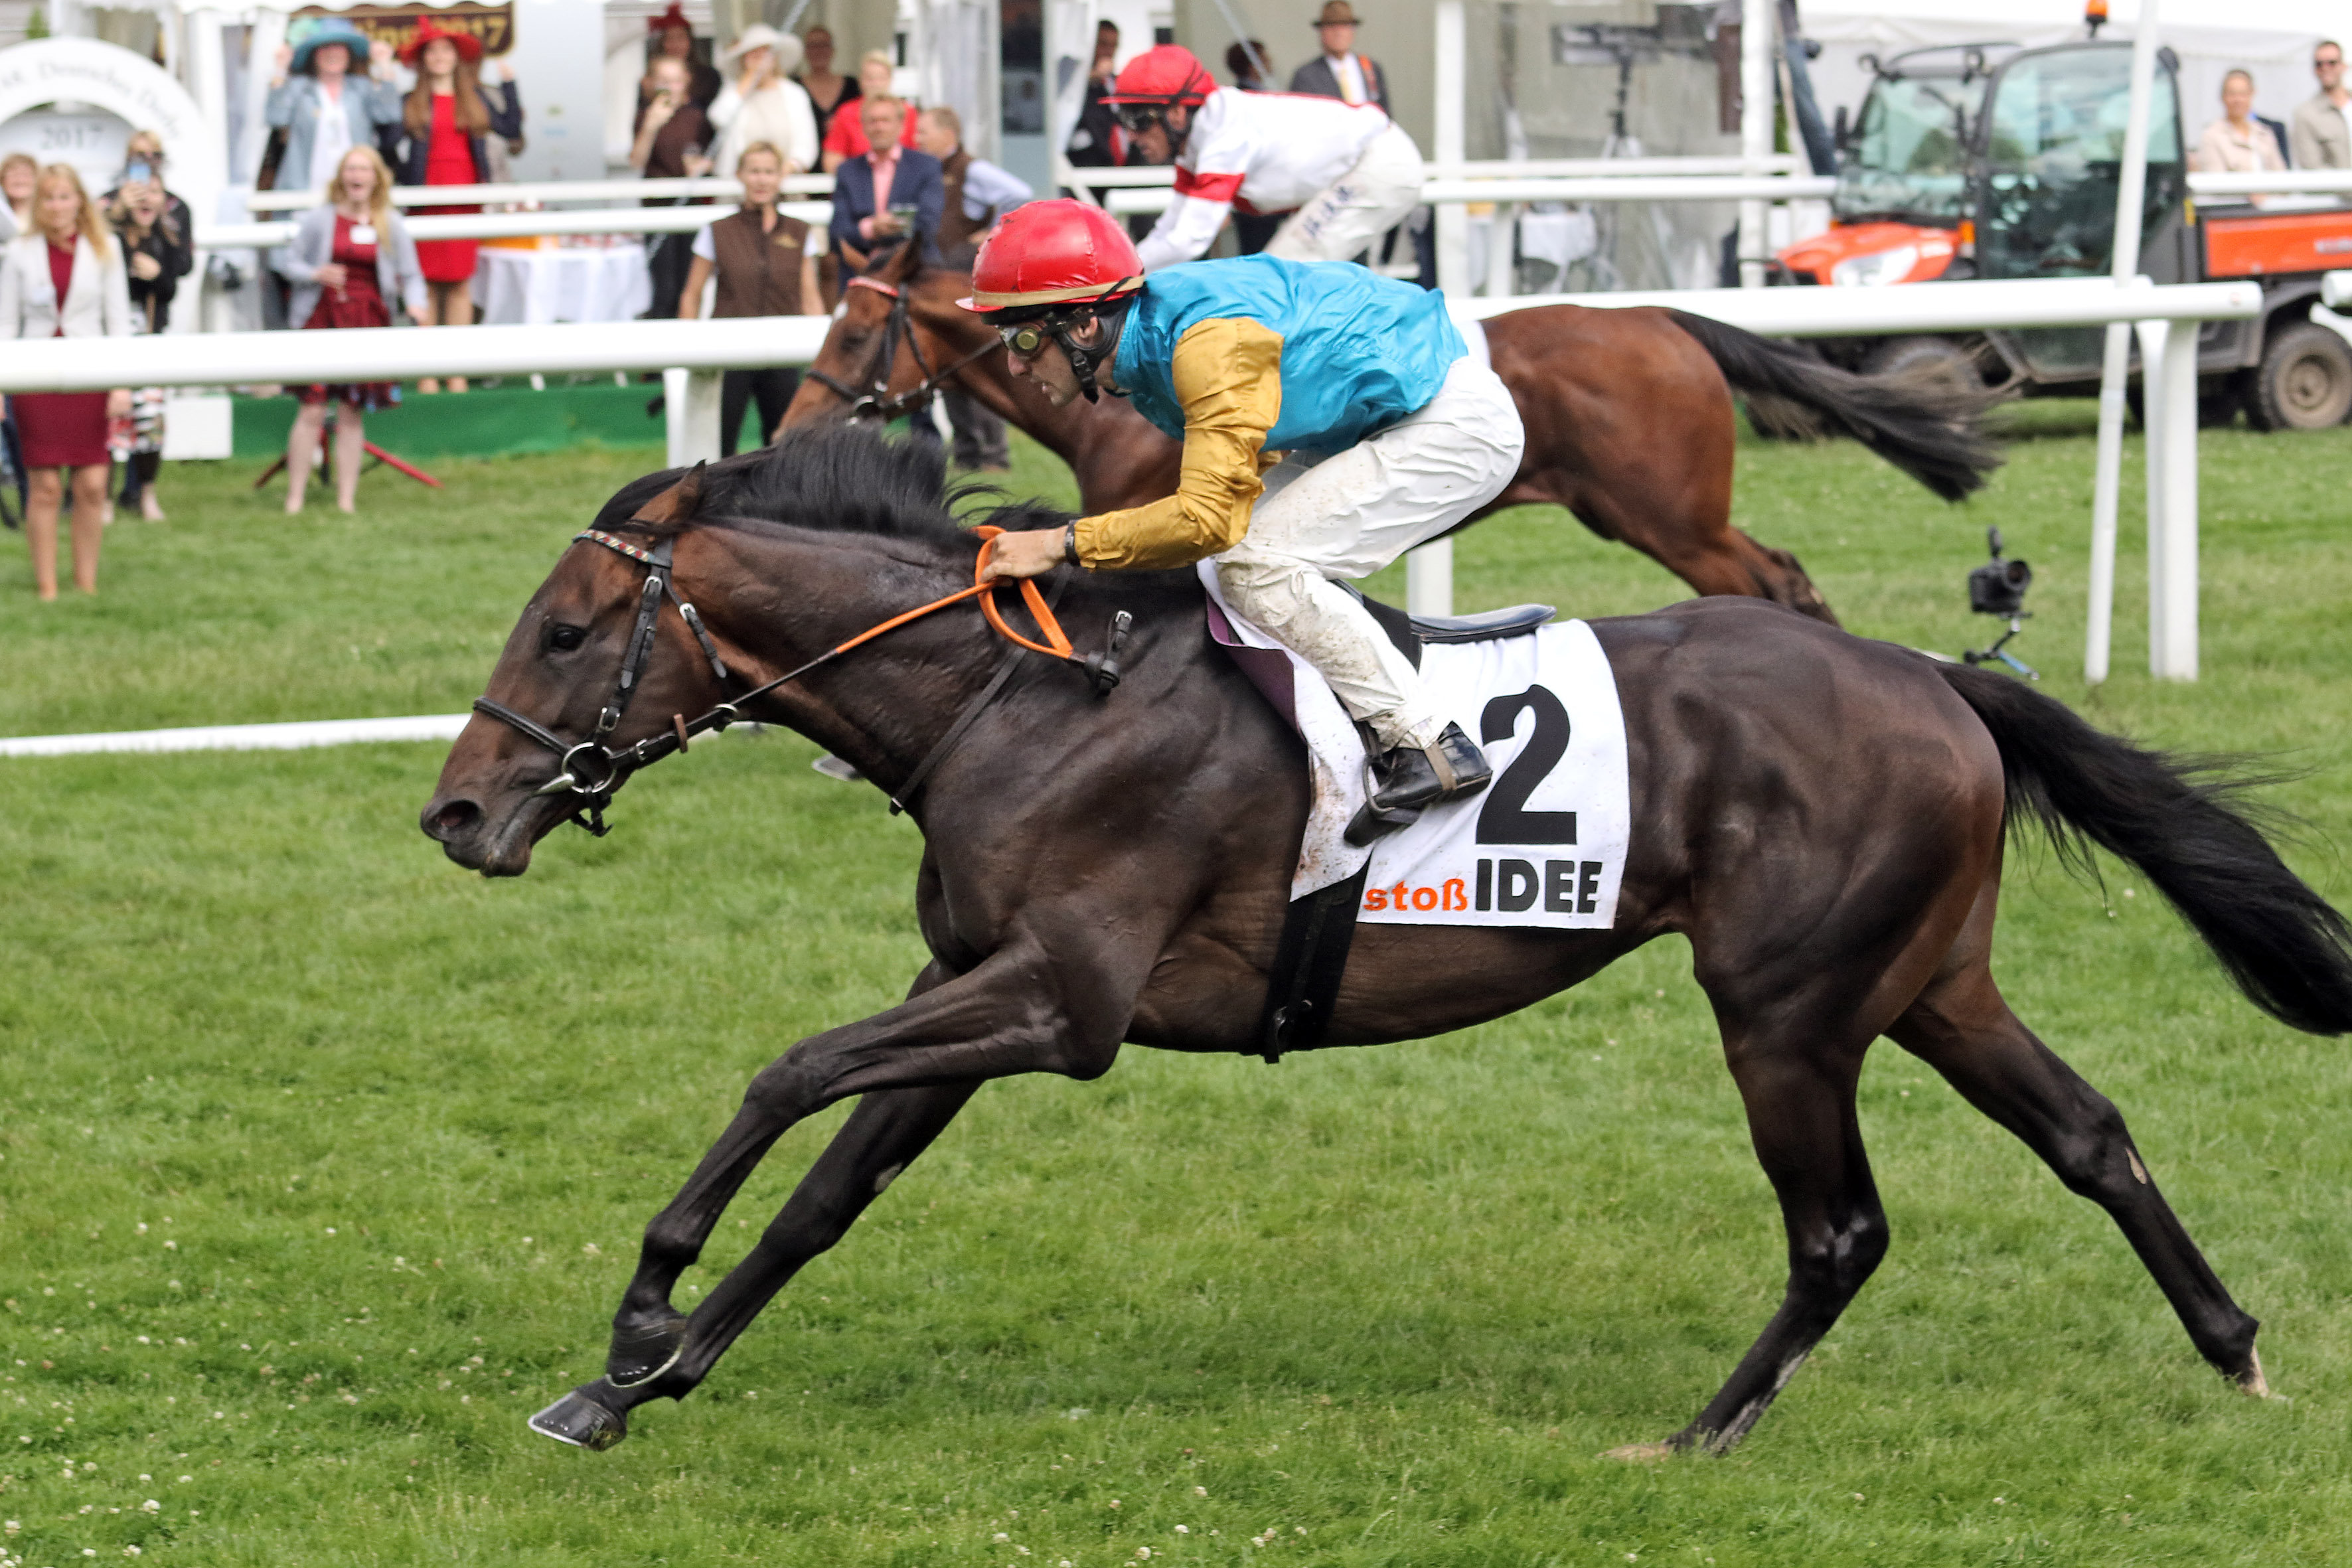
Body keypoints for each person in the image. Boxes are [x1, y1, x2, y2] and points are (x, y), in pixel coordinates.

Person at [963, 200, 1522, 839]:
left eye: (1024, 338)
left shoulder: (1204, 345)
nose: (1013, 363)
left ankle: (1427, 744)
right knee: (1228, 568)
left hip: (1448, 424)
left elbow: (1206, 521)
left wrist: (1062, 543)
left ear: (1085, 323)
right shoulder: (1146, 342)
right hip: (1378, 419)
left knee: (1253, 565)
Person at [1102, 44, 1423, 272]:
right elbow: (1170, 229)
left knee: (1276, 280)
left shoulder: (1223, 131)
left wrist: (1116, 277)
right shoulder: (1198, 136)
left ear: (1176, 112)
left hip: (1382, 164)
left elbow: (1189, 240)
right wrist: (1122, 269)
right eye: (1125, 119)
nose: (1132, 135)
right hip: (1368, 161)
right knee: (1277, 277)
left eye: (1139, 119)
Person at [0, 165, 134, 600]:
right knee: (45, 486)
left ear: (80, 200)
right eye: (49, 197)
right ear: (39, 204)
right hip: (36, 377)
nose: (57, 206)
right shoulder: (19, 252)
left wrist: (122, 385)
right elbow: (4, 323)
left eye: (65, 196)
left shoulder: (105, 248)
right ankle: (47, 587)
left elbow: (118, 321)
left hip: (90, 373)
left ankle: (87, 582)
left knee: (93, 484)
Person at [280, 146, 426, 514]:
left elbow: (410, 273)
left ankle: (346, 500)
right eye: (350, 169)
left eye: (364, 169)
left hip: (368, 319)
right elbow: (286, 260)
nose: (356, 176)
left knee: (351, 410)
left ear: (376, 178)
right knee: (311, 407)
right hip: (322, 316)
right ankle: (294, 499)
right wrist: (316, 273)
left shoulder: (389, 222)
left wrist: (416, 304)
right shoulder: (320, 219)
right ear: (341, 177)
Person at [393, 21, 522, 394]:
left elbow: (511, 128)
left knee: (461, 284)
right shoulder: (410, 102)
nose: (439, 58)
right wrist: (385, 85)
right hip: (424, 199)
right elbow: (386, 140)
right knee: (427, 286)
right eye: (432, 52)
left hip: (465, 199)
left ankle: (458, 373)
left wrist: (510, 85)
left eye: (446, 51)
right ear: (422, 60)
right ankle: (427, 374)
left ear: (456, 58)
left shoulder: (475, 98)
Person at [678, 141, 824, 456]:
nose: (762, 180)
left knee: (785, 445)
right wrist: (688, 350)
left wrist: (819, 353)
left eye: (769, 172)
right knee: (721, 444)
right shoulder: (717, 231)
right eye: (754, 171)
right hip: (729, 351)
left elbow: (811, 299)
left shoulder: (800, 231)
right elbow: (691, 294)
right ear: (740, 176)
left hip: (785, 350)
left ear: (780, 177)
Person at [914, 105, 1030, 471]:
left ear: (949, 136)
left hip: (966, 279)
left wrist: (994, 233)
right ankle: (966, 455)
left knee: (977, 366)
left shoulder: (972, 170)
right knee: (949, 369)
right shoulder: (930, 172)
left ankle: (994, 456)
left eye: (924, 132)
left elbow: (1021, 194)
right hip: (941, 280)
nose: (917, 140)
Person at [104, 132, 193, 522]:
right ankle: (104, 498)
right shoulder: (109, 233)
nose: (146, 198)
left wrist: (157, 275)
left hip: (152, 333)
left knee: (151, 419)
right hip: (112, 336)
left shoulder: (169, 235)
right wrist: (116, 214)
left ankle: (144, 494)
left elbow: (174, 285)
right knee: (112, 418)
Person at [264, 19, 402, 196]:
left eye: (339, 47)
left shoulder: (362, 87)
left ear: (348, 54)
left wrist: (384, 65)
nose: (332, 54)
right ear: (314, 54)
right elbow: (276, 118)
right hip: (306, 184)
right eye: (325, 48)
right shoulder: (299, 88)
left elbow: (389, 115)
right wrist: (280, 69)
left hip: (354, 186)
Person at [633, 54, 716, 322]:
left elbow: (711, 157)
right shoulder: (645, 115)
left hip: (690, 205)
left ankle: (683, 357)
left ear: (686, 83)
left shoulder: (698, 116)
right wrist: (650, 127)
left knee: (687, 285)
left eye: (677, 81)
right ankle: (656, 361)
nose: (671, 87)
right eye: (665, 81)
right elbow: (637, 161)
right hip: (657, 207)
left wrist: (702, 166)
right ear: (652, 83)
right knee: (664, 286)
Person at [829, 94, 944, 274]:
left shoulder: (926, 167)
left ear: (901, 125)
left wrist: (887, 229)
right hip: (862, 273)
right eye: (873, 121)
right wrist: (871, 228)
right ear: (864, 127)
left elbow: (927, 226)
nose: (879, 127)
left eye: (886, 120)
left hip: (915, 271)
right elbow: (837, 233)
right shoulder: (848, 172)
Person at [709, 25, 819, 179]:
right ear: (743, 59)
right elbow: (718, 118)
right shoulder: (734, 91)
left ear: (776, 58)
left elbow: (806, 146)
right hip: (739, 186)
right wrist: (750, 77)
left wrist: (781, 174)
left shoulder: (795, 94)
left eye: (766, 52)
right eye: (753, 54)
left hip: (785, 184)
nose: (760, 58)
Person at [1220, 42, 1285, 256]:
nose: (1269, 63)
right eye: (1264, 58)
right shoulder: (1245, 99)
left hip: (1265, 191)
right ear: (1251, 65)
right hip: (1254, 187)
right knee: (1257, 252)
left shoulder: (1245, 98)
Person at [821, 50, 918, 172]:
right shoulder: (846, 113)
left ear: (890, 79)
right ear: (860, 81)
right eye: (870, 79)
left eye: (881, 78)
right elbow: (832, 159)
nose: (876, 84)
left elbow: (918, 155)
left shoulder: (908, 112)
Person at [1289, 1, 1390, 112]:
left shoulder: (1371, 68)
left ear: (1353, 31)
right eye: (1331, 26)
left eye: (1345, 26)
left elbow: (1384, 114)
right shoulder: (1306, 76)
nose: (1338, 32)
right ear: (1322, 32)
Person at [2192, 70, 2287, 182]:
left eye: (2243, 94)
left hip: (2269, 198)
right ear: (2223, 97)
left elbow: (2281, 176)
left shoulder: (2264, 133)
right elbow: (2217, 182)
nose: (2238, 100)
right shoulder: (2211, 136)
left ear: (2252, 94)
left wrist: (2266, 195)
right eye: (2232, 94)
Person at [644, 2, 720, 112]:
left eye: (680, 37)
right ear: (662, 43)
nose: (676, 45)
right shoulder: (651, 79)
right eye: (670, 38)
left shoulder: (709, 77)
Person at [2292, 40, 2351, 170]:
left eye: (2332, 63)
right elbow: (2312, 166)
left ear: (2343, 66)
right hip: (2336, 189)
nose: (2325, 68)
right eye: (2319, 64)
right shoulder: (2305, 114)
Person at [798, 25, 857, 141]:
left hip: (846, 156)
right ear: (805, 51)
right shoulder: (794, 87)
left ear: (832, 50)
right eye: (813, 46)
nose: (818, 51)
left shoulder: (852, 85)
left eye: (823, 45)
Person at [0, 151, 35, 241]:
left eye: (25, 175)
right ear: (2, 180)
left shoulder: (46, 214)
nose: (20, 180)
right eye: (14, 175)